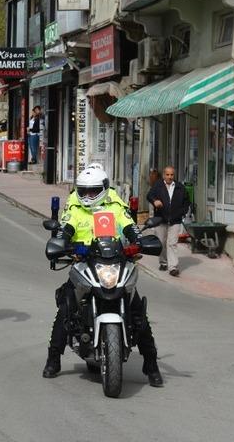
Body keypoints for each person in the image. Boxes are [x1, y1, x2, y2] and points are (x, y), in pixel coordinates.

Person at [43, 166, 163, 387]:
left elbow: (130, 228)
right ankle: (53, 358)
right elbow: (64, 230)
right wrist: (60, 243)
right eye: (84, 191)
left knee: (137, 311)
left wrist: (139, 242)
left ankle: (151, 365)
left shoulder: (116, 207)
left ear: (104, 189)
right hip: (84, 262)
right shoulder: (75, 208)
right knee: (67, 307)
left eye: (93, 191)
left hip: (114, 262)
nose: (87, 196)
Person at [146, 166, 190, 277]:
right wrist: (155, 201)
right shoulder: (158, 185)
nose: (170, 177)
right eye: (167, 175)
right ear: (164, 175)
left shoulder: (180, 187)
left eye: (172, 175)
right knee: (161, 242)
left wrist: (182, 213)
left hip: (175, 220)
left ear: (174, 175)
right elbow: (149, 195)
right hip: (161, 218)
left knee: (172, 244)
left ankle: (173, 267)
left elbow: (186, 202)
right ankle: (163, 262)